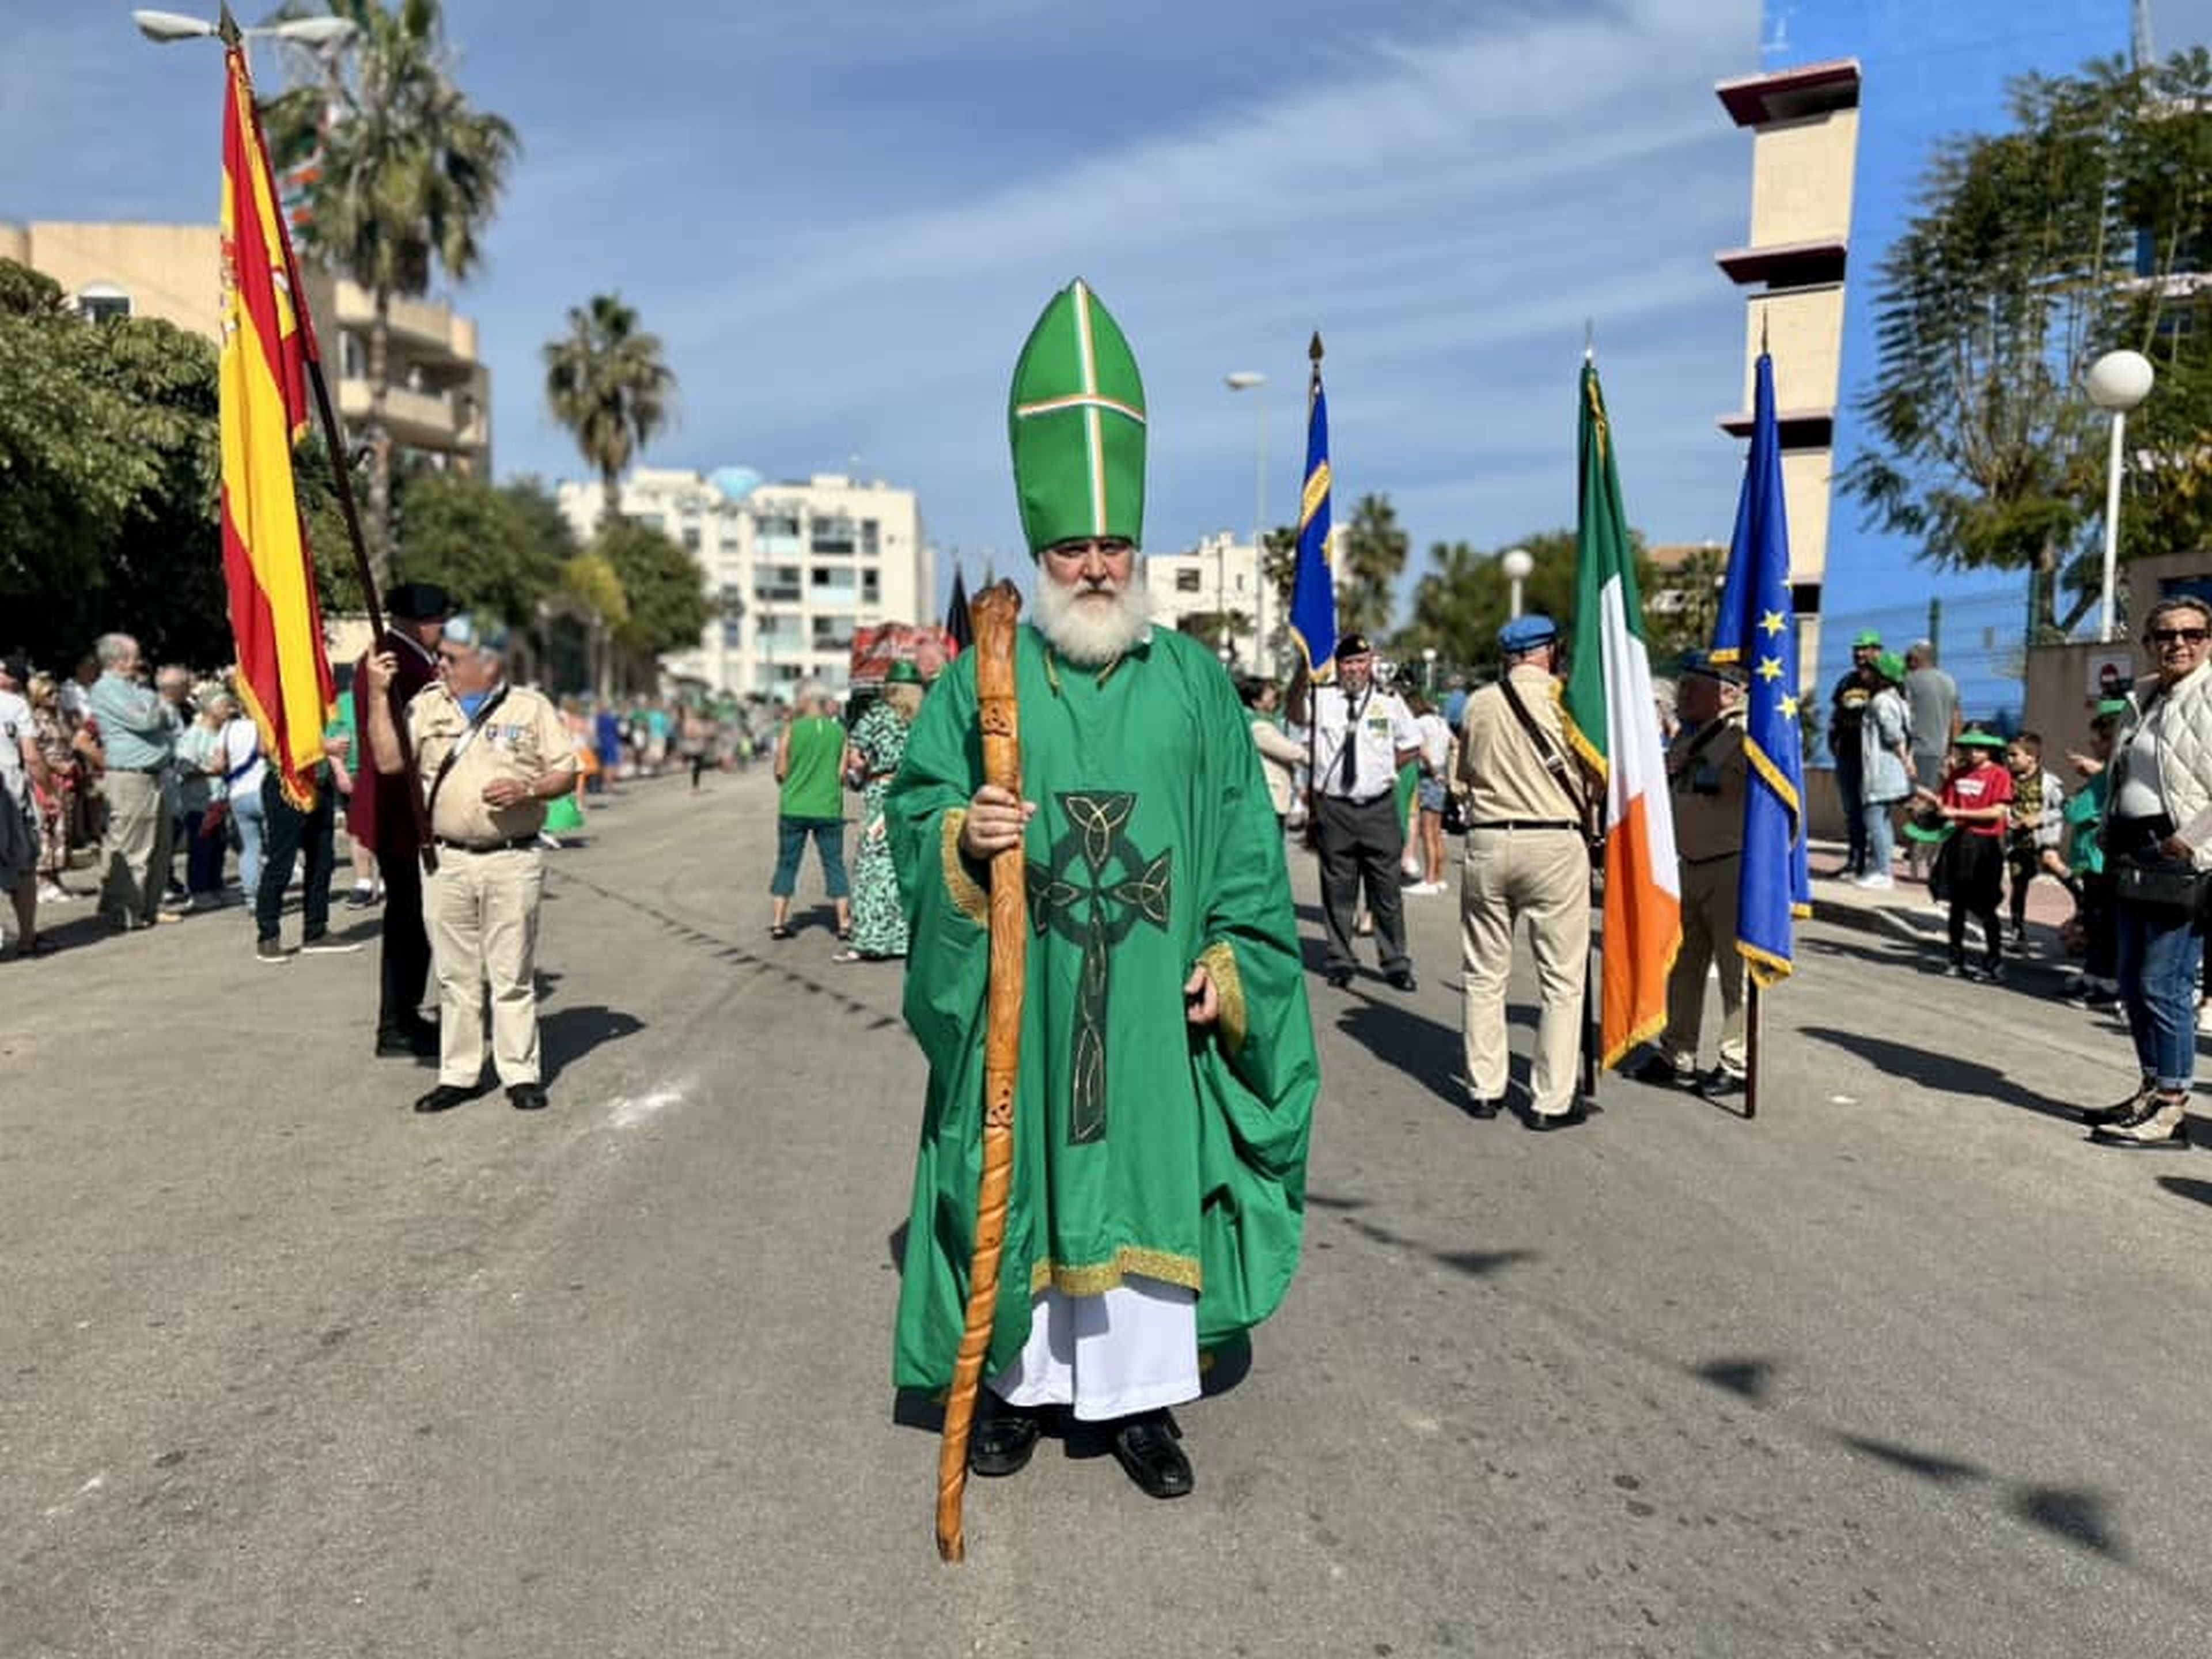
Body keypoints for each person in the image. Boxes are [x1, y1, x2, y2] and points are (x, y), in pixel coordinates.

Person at [888, 278, 1317, 1502]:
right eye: (1071, 545)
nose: (1092, 563)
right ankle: (1017, 1394)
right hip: (1021, 998)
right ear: (1040, 549)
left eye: (1110, 544)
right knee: (1013, 1172)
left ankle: (1136, 1410)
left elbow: (1242, 853)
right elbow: (912, 810)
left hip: (1147, 1004)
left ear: (1136, 546)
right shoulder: (986, 676)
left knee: (1141, 1182)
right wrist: (963, 842)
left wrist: (1227, 967)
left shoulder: (1191, 682)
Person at [362, 614, 577, 1114]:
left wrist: (528, 788)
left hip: (512, 859)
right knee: (456, 978)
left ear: (489, 662)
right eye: (442, 656)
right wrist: (377, 694)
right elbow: (390, 761)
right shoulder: (428, 705)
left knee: (511, 975)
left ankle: (520, 1073)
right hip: (446, 860)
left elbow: (566, 771)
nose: (441, 664)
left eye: (452, 658)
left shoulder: (531, 708)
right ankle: (458, 1074)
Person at [2077, 597, 2212, 1148]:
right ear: (2149, 644)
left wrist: (2189, 842)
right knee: (2132, 982)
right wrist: (2111, 824)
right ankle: (2152, 1089)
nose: (2178, 643)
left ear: (2208, 638)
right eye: (2165, 635)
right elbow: (2129, 770)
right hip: (2133, 853)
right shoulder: (2145, 695)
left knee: (2165, 984)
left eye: (2192, 633)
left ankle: (2173, 1107)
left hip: (2182, 858)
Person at [1456, 613, 1596, 1127]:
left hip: (1489, 839)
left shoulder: (1479, 703)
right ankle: (1550, 1100)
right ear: (1551, 652)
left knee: (1484, 973)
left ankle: (1484, 1089)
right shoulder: (1569, 703)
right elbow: (1596, 775)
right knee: (1561, 979)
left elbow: (1463, 776)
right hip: (1553, 839)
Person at [1631, 655, 1748, 1092]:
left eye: (1691, 689)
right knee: (1683, 966)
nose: (1681, 697)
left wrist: (1683, 766)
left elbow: (1715, 780)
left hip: (1731, 864)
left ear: (1727, 692)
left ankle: (1736, 1062)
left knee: (1735, 971)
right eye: (1681, 688)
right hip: (1690, 862)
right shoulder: (1689, 733)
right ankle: (1677, 1052)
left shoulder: (1742, 732)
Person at [350, 581, 452, 1060]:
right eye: (440, 621)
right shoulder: (395, 660)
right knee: (410, 920)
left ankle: (404, 1015)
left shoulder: (404, 656)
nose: (444, 630)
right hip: (401, 809)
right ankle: (397, 1023)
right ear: (420, 622)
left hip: (406, 809)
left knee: (414, 919)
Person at [1308, 632, 1422, 990]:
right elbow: (1297, 714)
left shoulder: (1389, 701)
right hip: (1336, 809)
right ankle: (1341, 959)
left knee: (1386, 891)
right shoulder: (1322, 699)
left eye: (1361, 662)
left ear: (1371, 663)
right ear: (1339, 666)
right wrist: (1303, 671)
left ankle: (1395, 962)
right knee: (1338, 890)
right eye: (1348, 663)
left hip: (1378, 808)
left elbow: (1412, 744)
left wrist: (1384, 767)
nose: (1355, 669)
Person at [86, 633, 181, 933]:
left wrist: (152, 704)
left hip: (155, 775)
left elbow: (168, 718)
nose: (139, 662)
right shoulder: (106, 689)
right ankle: (125, 911)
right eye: (134, 656)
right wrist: (155, 702)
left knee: (160, 847)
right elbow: (147, 721)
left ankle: (148, 908)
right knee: (133, 848)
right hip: (130, 776)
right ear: (119, 659)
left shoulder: (135, 689)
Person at [252, 722, 359, 964]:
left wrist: (338, 768)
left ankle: (316, 932)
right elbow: (264, 747)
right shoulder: (276, 700)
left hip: (319, 784)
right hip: (286, 787)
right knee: (281, 864)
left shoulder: (313, 700)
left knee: (323, 861)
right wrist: (323, 747)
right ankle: (268, 938)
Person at [838, 661, 922, 963]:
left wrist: (856, 773)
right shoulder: (923, 719)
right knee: (907, 865)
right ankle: (907, 938)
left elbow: (855, 757)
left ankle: (873, 939)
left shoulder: (876, 715)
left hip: (882, 797)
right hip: (915, 797)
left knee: (873, 867)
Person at [1915, 730, 2012, 982]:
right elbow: (1943, 805)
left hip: (1985, 844)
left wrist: (1958, 812)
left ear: (1990, 750)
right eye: (1968, 748)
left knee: (1985, 905)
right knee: (1956, 903)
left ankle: (1994, 960)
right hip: (1958, 841)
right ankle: (1955, 958)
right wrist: (1927, 803)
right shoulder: (1957, 775)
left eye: (1979, 748)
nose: (1972, 753)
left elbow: (1997, 812)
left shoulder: (1999, 775)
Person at [2052, 701, 2126, 1010]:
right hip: (2091, 861)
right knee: (2094, 922)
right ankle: (2093, 974)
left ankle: (2108, 980)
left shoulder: (2108, 777)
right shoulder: (2105, 775)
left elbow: (2075, 811)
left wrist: (2076, 798)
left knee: (2104, 923)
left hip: (2101, 861)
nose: (2095, 743)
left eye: (2104, 737)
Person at [768, 686, 852, 941]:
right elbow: (842, 775)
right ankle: (844, 924)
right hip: (828, 808)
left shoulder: (791, 730)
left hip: (794, 808)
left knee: (787, 864)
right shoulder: (840, 732)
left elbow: (781, 771)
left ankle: (779, 923)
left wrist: (793, 781)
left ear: (804, 702)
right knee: (834, 864)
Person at [1, 656, 54, 957]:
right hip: (8, 789)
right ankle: (26, 937)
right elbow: (32, 757)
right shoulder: (16, 706)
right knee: (22, 866)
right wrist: (49, 792)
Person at [1853, 650, 1912, 890]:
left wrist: (1905, 760)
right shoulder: (1898, 699)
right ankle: (1880, 867)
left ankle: (1884, 872)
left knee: (1874, 819)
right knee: (1883, 820)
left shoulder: (1881, 701)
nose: (1866, 674)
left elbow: (1893, 734)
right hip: (1892, 771)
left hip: (1882, 771)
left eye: (1872, 671)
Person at [2001, 732, 2064, 945]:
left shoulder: (2049, 783)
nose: (2008, 760)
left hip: (2043, 840)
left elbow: (2064, 810)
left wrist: (2040, 818)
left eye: (2013, 756)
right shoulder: (2005, 780)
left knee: (2055, 868)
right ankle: (2018, 931)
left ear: (2032, 757)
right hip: (2017, 842)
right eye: (2007, 755)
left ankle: (2081, 902)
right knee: (2019, 886)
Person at [1827, 631, 1881, 877]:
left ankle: (1876, 864)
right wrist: (1833, 741)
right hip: (1848, 755)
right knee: (1852, 810)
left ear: (1877, 651)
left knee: (1874, 811)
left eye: (1866, 649)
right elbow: (1836, 714)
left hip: (1875, 758)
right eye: (1857, 649)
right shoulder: (1846, 682)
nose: (1860, 654)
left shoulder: (1885, 682)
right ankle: (1855, 859)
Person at [172, 684, 229, 911]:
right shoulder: (193, 735)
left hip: (220, 801)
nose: (230, 710)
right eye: (224, 705)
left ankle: (216, 887)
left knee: (218, 846)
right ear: (209, 709)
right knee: (201, 848)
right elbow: (183, 768)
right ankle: (200, 892)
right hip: (198, 804)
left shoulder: (222, 733)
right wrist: (210, 770)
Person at [1241, 676, 1303, 831]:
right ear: (1256, 703)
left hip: (1267, 799)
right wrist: (1319, 758)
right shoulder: (1258, 727)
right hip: (1268, 800)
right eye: (1270, 695)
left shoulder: (1261, 721)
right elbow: (1292, 752)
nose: (1276, 698)